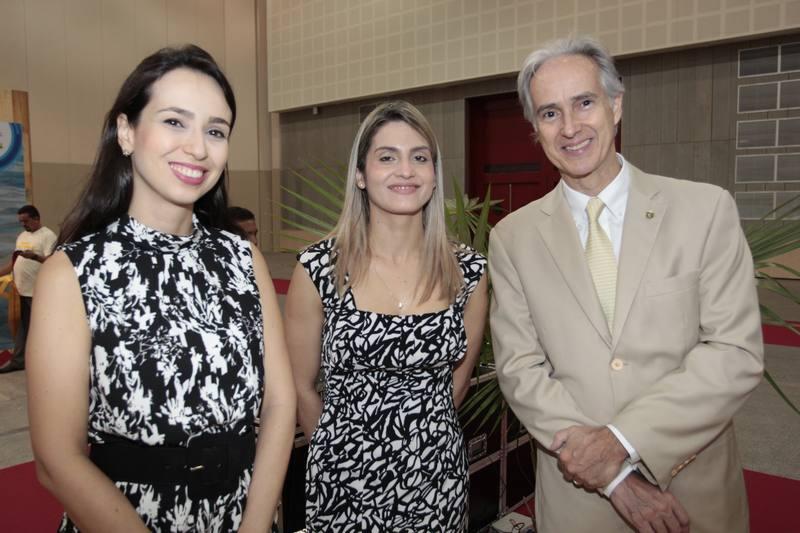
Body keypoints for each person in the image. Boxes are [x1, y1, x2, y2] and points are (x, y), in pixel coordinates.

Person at [489, 36, 764, 533]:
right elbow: (520, 368)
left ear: (615, 106)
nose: (569, 127)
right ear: (535, 128)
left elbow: (734, 352)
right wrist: (614, 477)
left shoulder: (704, 210)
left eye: (584, 103)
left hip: (693, 490)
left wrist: (622, 440)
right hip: (578, 499)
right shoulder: (512, 238)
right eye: (550, 113)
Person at [25, 44, 295, 532]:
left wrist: (255, 525)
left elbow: (279, 403)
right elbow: (57, 459)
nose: (198, 147)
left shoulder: (243, 259)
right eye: (174, 121)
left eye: (215, 130)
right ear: (126, 132)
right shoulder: (73, 272)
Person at [284, 100, 489, 531]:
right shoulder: (319, 269)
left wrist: (417, 444)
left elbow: (458, 382)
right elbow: (301, 386)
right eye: (387, 157)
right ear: (360, 174)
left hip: (437, 481)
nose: (406, 171)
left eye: (420, 158)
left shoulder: (467, 272)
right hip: (343, 482)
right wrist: (341, 453)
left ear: (434, 174)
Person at [0, 205, 56, 373]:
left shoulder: (48, 236)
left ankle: (48, 362)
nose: (23, 224)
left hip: (38, 291)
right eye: (21, 222)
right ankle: (18, 361)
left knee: (42, 328)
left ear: (36, 218)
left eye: (26, 221)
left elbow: (52, 261)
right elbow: (14, 262)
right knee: (21, 327)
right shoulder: (22, 236)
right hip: (20, 290)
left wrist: (34, 257)